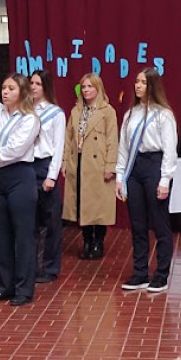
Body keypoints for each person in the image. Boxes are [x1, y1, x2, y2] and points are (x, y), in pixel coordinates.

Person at [115, 68, 178, 293]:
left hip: (155, 165)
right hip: (135, 167)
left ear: (152, 85)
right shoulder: (130, 114)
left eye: (143, 82)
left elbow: (170, 150)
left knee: (160, 224)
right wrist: (120, 176)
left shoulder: (163, 114)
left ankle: (161, 274)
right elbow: (123, 147)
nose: (138, 86)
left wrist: (165, 180)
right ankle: (140, 272)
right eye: (137, 82)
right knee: (138, 224)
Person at [0, 74, 40, 307]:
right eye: (4, 88)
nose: (5, 92)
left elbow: (14, 150)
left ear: (22, 92)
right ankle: (4, 285)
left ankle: (24, 288)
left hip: (20, 177)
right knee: (2, 235)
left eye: (11, 88)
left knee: (22, 235)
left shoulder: (29, 119)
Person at [62, 72, 118, 260]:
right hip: (79, 162)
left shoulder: (107, 111)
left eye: (90, 87)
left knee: (99, 205)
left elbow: (112, 140)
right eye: (83, 87)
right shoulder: (76, 111)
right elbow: (68, 139)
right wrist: (64, 161)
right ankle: (86, 241)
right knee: (82, 204)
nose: (86, 90)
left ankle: (98, 241)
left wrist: (110, 165)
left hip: (98, 164)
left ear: (98, 88)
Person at [30, 69, 64, 284]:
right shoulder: (24, 111)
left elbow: (58, 146)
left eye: (37, 84)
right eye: (31, 83)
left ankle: (50, 268)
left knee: (51, 223)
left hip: (45, 167)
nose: (33, 87)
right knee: (29, 222)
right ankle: (30, 267)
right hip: (26, 167)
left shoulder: (55, 113)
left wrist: (52, 176)